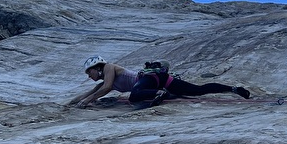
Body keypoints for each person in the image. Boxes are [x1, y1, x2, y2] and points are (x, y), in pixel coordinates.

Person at [70, 54, 251, 108]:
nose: (89, 76)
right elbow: (91, 93)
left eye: (89, 72)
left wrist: (87, 101)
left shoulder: (109, 67)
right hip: (160, 79)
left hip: (149, 80)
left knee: (134, 97)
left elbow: (106, 88)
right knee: (198, 90)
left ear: (97, 67)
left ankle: (158, 94)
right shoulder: (102, 82)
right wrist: (71, 103)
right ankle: (233, 89)